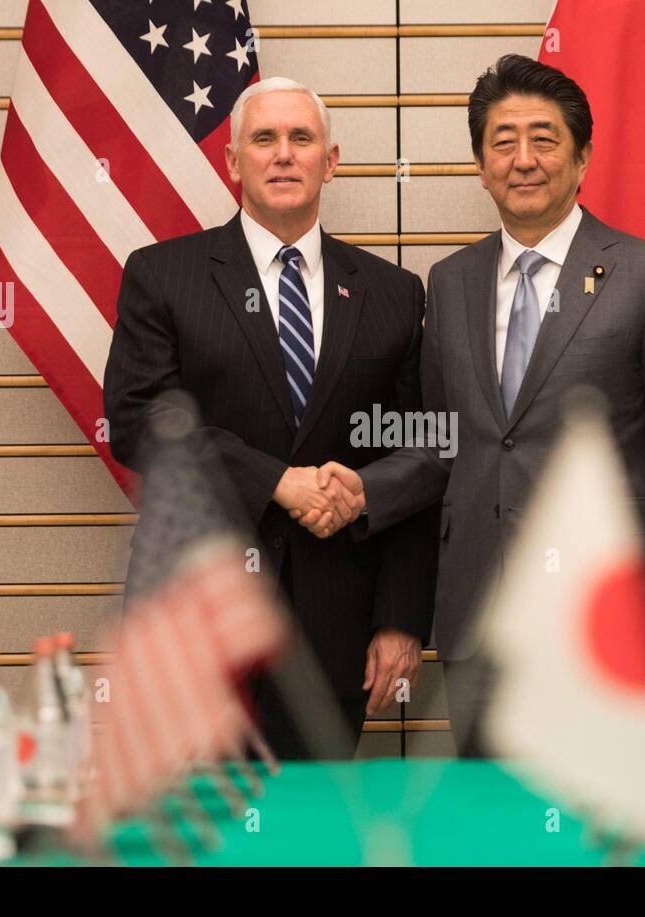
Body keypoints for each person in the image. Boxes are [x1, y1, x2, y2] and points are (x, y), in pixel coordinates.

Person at [299, 55, 645, 755]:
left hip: (602, 617)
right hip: (480, 619)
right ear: (480, 164)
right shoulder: (452, 280)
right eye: (503, 142)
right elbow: (442, 444)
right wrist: (362, 488)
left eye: (544, 139)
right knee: (493, 827)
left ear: (583, 156)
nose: (523, 159)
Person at [104, 77, 434, 759]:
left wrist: (401, 619)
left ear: (330, 160)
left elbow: (421, 459)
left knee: (312, 842)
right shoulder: (163, 275)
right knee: (195, 842)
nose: (283, 155)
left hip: (335, 632)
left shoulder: (393, 294)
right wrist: (275, 481)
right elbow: (137, 420)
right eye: (264, 139)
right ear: (232, 161)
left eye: (301, 139)